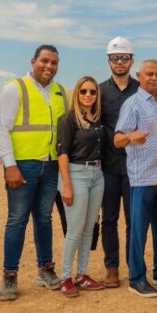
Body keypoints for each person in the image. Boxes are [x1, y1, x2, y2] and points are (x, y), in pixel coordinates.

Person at [0, 44, 68, 300]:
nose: (49, 66)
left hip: (50, 164)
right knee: (17, 220)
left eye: (54, 62)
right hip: (23, 165)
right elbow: (2, 129)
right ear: (33, 61)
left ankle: (45, 269)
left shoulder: (60, 91)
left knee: (44, 218)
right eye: (44, 61)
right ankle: (9, 276)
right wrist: (10, 164)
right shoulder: (14, 88)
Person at [113, 59, 157, 298]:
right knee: (138, 230)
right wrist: (131, 136)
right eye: (149, 74)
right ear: (139, 75)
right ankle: (136, 278)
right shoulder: (132, 104)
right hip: (141, 178)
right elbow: (117, 139)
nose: (154, 78)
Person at [56, 76, 106, 297]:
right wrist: (66, 185)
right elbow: (62, 153)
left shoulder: (98, 119)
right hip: (76, 175)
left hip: (97, 175)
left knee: (89, 228)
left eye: (92, 92)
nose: (88, 95)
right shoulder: (68, 119)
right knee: (75, 229)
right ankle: (66, 277)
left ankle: (82, 274)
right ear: (76, 93)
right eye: (83, 91)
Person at [99, 36, 139, 288]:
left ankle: (134, 267)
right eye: (115, 58)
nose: (120, 62)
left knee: (134, 220)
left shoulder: (141, 90)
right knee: (109, 220)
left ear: (131, 60)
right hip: (108, 167)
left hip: (136, 167)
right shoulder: (99, 91)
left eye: (124, 57)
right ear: (109, 61)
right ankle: (112, 268)